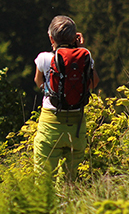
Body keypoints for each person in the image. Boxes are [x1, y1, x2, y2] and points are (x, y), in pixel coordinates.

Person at [33, 15, 99, 180]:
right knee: (70, 181)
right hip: (76, 127)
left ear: (51, 38)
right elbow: (93, 84)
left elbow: (38, 80)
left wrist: (46, 89)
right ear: (75, 38)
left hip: (50, 124)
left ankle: (46, 206)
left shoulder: (44, 58)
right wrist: (81, 50)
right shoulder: (85, 56)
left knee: (43, 180)